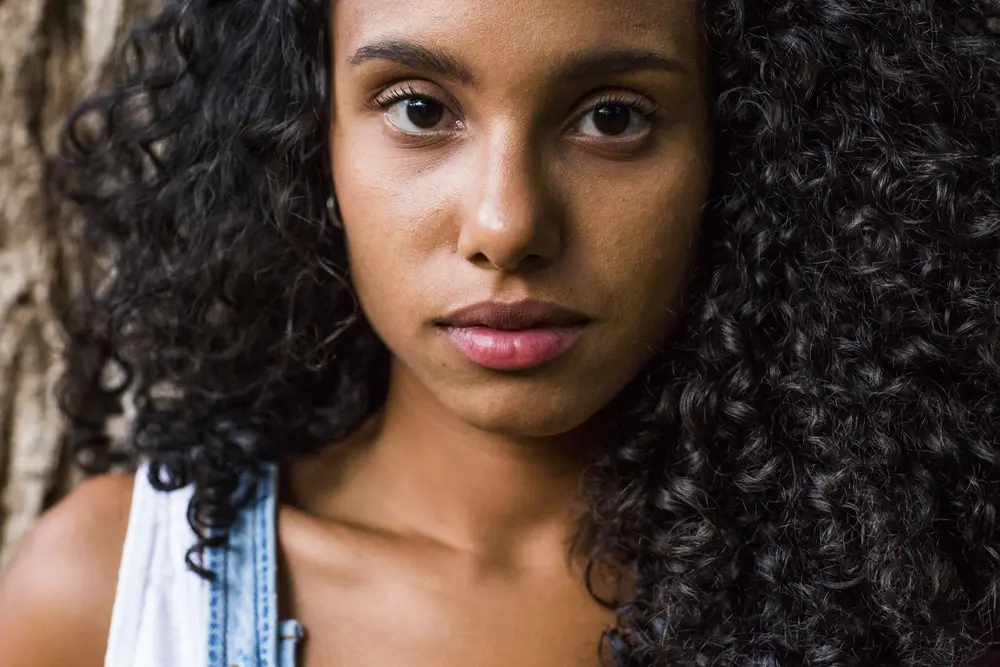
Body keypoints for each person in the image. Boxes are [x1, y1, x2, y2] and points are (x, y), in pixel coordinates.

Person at [2, 0, 999, 665]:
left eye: (612, 118)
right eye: (419, 108)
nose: (507, 225)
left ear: (741, 149)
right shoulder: (106, 598)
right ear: (310, 145)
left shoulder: (917, 605)